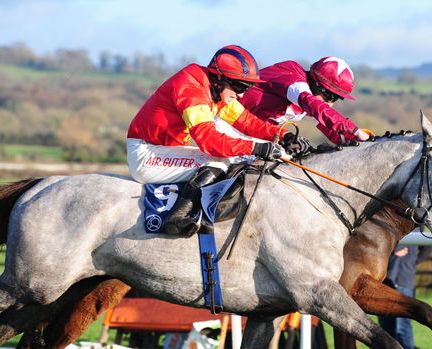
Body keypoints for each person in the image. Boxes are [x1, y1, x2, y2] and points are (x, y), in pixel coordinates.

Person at [127, 45, 302, 236]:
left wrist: (283, 135)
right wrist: (256, 147)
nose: (242, 94)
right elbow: (210, 142)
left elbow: (247, 122)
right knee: (219, 160)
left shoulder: (214, 90)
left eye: (247, 88)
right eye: (239, 87)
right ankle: (177, 217)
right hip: (147, 155)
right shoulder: (191, 88)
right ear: (220, 78)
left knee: (236, 161)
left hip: (164, 150)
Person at [238, 56, 373, 147]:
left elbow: (331, 130)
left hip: (252, 132)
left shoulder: (307, 97)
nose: (330, 104)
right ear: (317, 85)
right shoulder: (294, 80)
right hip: (225, 123)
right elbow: (316, 107)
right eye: (330, 97)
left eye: (336, 99)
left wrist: (357, 141)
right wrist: (355, 130)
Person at [378, 245, 432, 349]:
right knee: (385, 320)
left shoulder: (417, 229)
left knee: (402, 322)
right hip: (384, 280)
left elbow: (429, 246)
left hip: (404, 279)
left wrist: (414, 262)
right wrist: (392, 252)